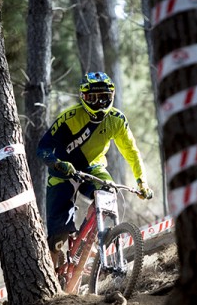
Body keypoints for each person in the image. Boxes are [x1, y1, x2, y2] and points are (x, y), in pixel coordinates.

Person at [37, 71, 153, 267]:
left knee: (108, 192)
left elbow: (131, 152)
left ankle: (87, 239)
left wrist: (142, 181)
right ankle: (53, 277)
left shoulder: (117, 119)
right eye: (93, 98)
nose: (99, 103)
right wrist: (57, 163)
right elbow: (42, 148)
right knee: (58, 237)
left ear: (112, 97)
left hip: (93, 168)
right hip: (62, 172)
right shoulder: (70, 118)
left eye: (104, 98)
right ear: (83, 97)